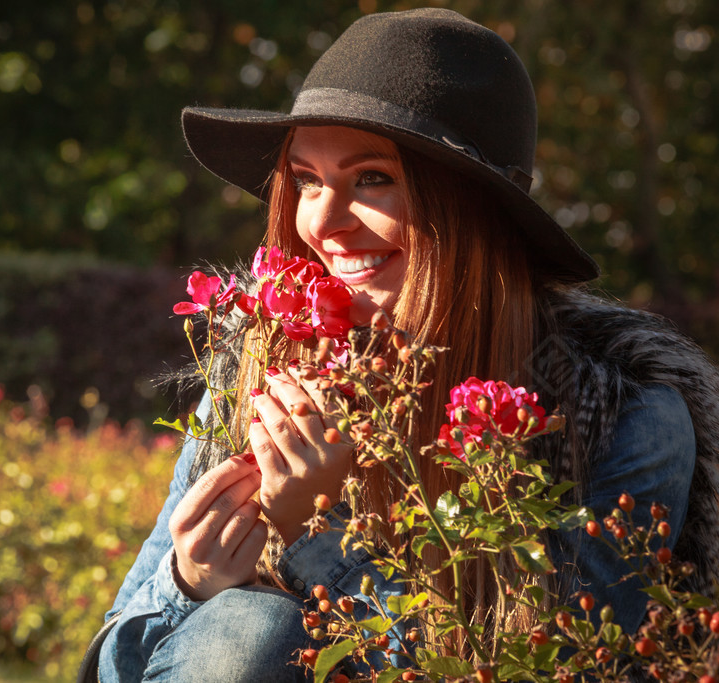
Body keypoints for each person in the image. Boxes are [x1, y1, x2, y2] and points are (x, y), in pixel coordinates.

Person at [93, 8, 719, 682]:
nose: (323, 223)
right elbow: (108, 660)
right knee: (246, 627)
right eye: (305, 179)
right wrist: (187, 581)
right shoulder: (258, 366)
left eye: (371, 179)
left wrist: (317, 535)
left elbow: (558, 668)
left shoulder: (620, 415)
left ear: (477, 210)